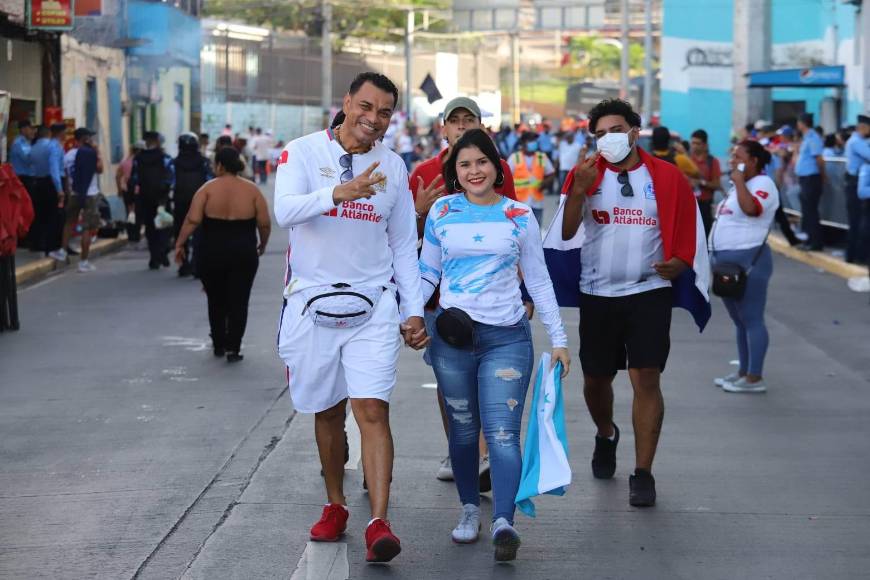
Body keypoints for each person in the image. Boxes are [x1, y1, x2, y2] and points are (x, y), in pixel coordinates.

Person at [274, 72, 427, 564]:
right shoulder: (300, 153)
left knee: (373, 410)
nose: (373, 119)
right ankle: (335, 504)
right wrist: (339, 193)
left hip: (373, 305)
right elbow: (285, 212)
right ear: (347, 103)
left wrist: (413, 309)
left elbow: (404, 244)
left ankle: (379, 522)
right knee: (326, 411)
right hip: (311, 303)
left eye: (384, 112)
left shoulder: (394, 167)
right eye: (366, 106)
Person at [420, 128, 570, 560]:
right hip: (453, 339)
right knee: (464, 431)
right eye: (464, 165)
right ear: (455, 172)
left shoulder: (520, 216)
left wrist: (558, 340)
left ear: (496, 166)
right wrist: (408, 315)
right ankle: (470, 509)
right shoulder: (442, 212)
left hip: (507, 339)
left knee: (503, 434)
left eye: (481, 162)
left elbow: (539, 281)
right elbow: (427, 272)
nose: (473, 171)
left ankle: (504, 520)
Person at [561, 99, 706, 507]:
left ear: (634, 131)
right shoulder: (585, 174)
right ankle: (606, 434)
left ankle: (643, 472)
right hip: (597, 294)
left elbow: (688, 226)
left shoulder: (667, 177)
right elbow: (568, 231)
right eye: (600, 132)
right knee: (595, 380)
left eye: (616, 129)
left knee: (646, 377)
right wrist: (579, 191)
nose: (609, 138)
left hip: (648, 294)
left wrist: (682, 260)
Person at [409, 96, 518, 483]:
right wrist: (419, 213)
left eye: (467, 119)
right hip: (442, 302)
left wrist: (525, 293)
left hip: (491, 300)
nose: (459, 126)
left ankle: (484, 455)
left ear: (480, 126)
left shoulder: (499, 169)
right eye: (453, 120)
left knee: (486, 378)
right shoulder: (423, 171)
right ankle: (460, 451)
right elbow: (406, 240)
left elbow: (515, 231)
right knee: (450, 382)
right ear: (443, 129)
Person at [174, 147, 269, 361]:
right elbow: (264, 223)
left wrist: (179, 243)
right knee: (240, 300)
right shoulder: (252, 191)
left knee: (216, 299)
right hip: (244, 251)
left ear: (220, 165)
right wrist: (262, 244)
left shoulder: (207, 190)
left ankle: (218, 343)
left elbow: (192, 220)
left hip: (211, 251)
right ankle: (233, 348)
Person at [711, 141, 779, 393]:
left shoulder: (764, 185)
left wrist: (739, 181)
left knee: (752, 318)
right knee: (739, 320)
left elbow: (751, 209)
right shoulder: (739, 186)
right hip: (726, 261)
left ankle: (755, 377)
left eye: (737, 156)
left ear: (752, 161)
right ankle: (743, 371)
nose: (731, 160)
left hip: (750, 260)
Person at [49, 128, 103, 272]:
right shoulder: (90, 153)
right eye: (90, 138)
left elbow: (66, 176)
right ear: (86, 139)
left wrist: (68, 192)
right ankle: (83, 262)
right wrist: (98, 153)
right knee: (87, 228)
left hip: (74, 193)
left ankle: (63, 250)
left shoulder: (68, 155)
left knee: (69, 222)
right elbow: (100, 169)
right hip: (90, 194)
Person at [130, 131, 174, 270]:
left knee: (150, 227)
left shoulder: (138, 158)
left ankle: (154, 258)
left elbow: (134, 179)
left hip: (145, 197)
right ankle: (163, 251)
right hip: (161, 198)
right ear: (158, 141)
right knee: (165, 225)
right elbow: (171, 177)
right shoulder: (165, 157)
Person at [172, 133, 214, 277]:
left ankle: (184, 265)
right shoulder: (204, 162)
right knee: (200, 234)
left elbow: (168, 182)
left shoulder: (174, 163)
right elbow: (210, 181)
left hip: (179, 202)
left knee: (181, 232)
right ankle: (197, 265)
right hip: (201, 203)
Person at [28, 124, 65, 255]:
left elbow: (30, 165)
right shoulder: (52, 146)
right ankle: (52, 247)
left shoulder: (33, 147)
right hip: (50, 182)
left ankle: (38, 244)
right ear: (49, 133)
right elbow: (54, 169)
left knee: (39, 214)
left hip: (37, 182)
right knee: (53, 216)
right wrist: (59, 189)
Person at [509, 132, 555, 225]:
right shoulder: (514, 158)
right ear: (523, 143)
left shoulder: (542, 157)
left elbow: (551, 174)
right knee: (520, 232)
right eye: (530, 140)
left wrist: (545, 183)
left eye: (534, 140)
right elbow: (506, 178)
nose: (533, 143)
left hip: (537, 202)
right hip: (519, 203)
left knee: (536, 231)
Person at [795, 113, 825, 251]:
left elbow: (819, 159)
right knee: (806, 210)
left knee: (811, 211)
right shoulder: (806, 138)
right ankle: (808, 240)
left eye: (798, 122)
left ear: (803, 123)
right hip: (805, 178)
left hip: (811, 178)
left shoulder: (813, 137)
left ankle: (815, 242)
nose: (797, 125)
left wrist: (823, 175)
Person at [844, 115, 870, 263]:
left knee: (858, 221)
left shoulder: (858, 141)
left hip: (856, 182)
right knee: (857, 221)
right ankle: (856, 256)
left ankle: (856, 255)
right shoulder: (857, 142)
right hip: (855, 183)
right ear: (863, 127)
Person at [689, 129, 722, 236]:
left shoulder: (712, 161)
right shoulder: (686, 159)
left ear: (704, 145)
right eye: (692, 143)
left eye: (697, 143)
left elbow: (717, 184)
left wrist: (700, 182)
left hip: (704, 207)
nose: (694, 146)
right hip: (688, 205)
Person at [116, 141, 144, 242]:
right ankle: (136, 234)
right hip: (138, 191)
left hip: (127, 190)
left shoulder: (125, 161)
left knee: (130, 212)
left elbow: (118, 176)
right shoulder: (142, 161)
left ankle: (131, 234)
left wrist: (119, 189)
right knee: (138, 213)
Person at [557, 131, 585, 195]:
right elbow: (557, 141)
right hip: (563, 168)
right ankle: (562, 198)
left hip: (573, 168)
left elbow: (580, 156)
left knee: (571, 185)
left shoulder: (578, 145)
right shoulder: (562, 144)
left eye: (570, 137)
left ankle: (569, 198)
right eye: (568, 137)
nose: (569, 138)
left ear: (573, 137)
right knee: (562, 184)